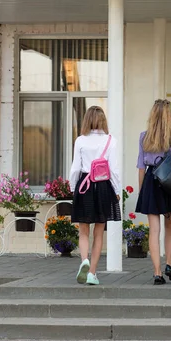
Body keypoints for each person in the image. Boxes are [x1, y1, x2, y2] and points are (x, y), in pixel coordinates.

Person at [135, 99, 171, 285]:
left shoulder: (144, 137)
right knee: (170, 226)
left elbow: (141, 167)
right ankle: (169, 264)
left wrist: (142, 191)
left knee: (154, 230)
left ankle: (157, 273)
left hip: (150, 182)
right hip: (169, 182)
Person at [69, 106, 121, 286]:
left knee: (83, 231)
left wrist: (72, 187)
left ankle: (84, 260)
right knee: (99, 232)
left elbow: (76, 167)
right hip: (103, 186)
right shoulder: (111, 141)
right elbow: (114, 169)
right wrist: (116, 190)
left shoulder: (80, 141)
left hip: (85, 185)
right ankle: (92, 273)